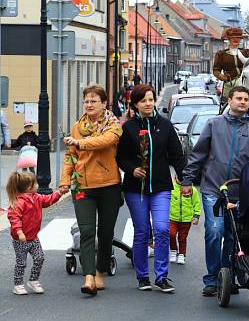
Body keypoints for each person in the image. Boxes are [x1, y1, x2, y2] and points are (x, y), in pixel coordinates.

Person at [181, 86, 249, 297]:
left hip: (240, 191)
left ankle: (227, 275)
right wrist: (187, 179)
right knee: (214, 230)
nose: (243, 102)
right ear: (229, 100)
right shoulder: (214, 124)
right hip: (214, 188)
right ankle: (211, 278)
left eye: (246, 99)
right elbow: (198, 154)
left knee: (232, 235)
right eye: (239, 98)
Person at [116, 83, 186, 293]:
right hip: (135, 188)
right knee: (142, 231)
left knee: (162, 230)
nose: (148, 103)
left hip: (161, 186)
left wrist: (184, 179)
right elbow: (121, 157)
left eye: (150, 99)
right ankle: (143, 276)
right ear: (135, 104)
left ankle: (162, 276)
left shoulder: (164, 125)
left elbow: (176, 155)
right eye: (143, 100)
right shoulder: (128, 128)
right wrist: (132, 169)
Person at [59, 85, 124, 296]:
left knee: (105, 234)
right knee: (87, 232)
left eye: (93, 101)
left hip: (109, 186)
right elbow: (70, 155)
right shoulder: (78, 126)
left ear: (104, 103)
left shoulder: (113, 125)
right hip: (83, 187)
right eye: (86, 101)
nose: (89, 104)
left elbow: (106, 142)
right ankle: (88, 277)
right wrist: (64, 180)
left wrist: (80, 142)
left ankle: (99, 272)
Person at [7, 171, 66, 295]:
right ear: (29, 188)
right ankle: (18, 285)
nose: (38, 186)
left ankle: (33, 280)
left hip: (33, 238)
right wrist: (19, 232)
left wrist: (59, 193)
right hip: (20, 240)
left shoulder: (37, 197)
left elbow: (48, 200)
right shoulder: (19, 202)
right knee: (21, 263)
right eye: (36, 184)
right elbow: (14, 218)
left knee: (40, 258)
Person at [212, 27, 249, 101]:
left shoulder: (247, 53)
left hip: (246, 82)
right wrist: (222, 77)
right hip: (229, 84)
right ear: (229, 39)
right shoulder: (221, 54)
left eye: (238, 37)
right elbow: (216, 70)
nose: (236, 39)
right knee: (226, 102)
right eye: (233, 37)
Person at [169, 177, 200, 265]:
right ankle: (173, 250)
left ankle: (182, 254)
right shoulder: (172, 187)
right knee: (171, 234)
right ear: (175, 177)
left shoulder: (192, 190)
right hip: (172, 218)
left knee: (182, 238)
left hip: (186, 220)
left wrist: (196, 216)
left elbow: (196, 203)